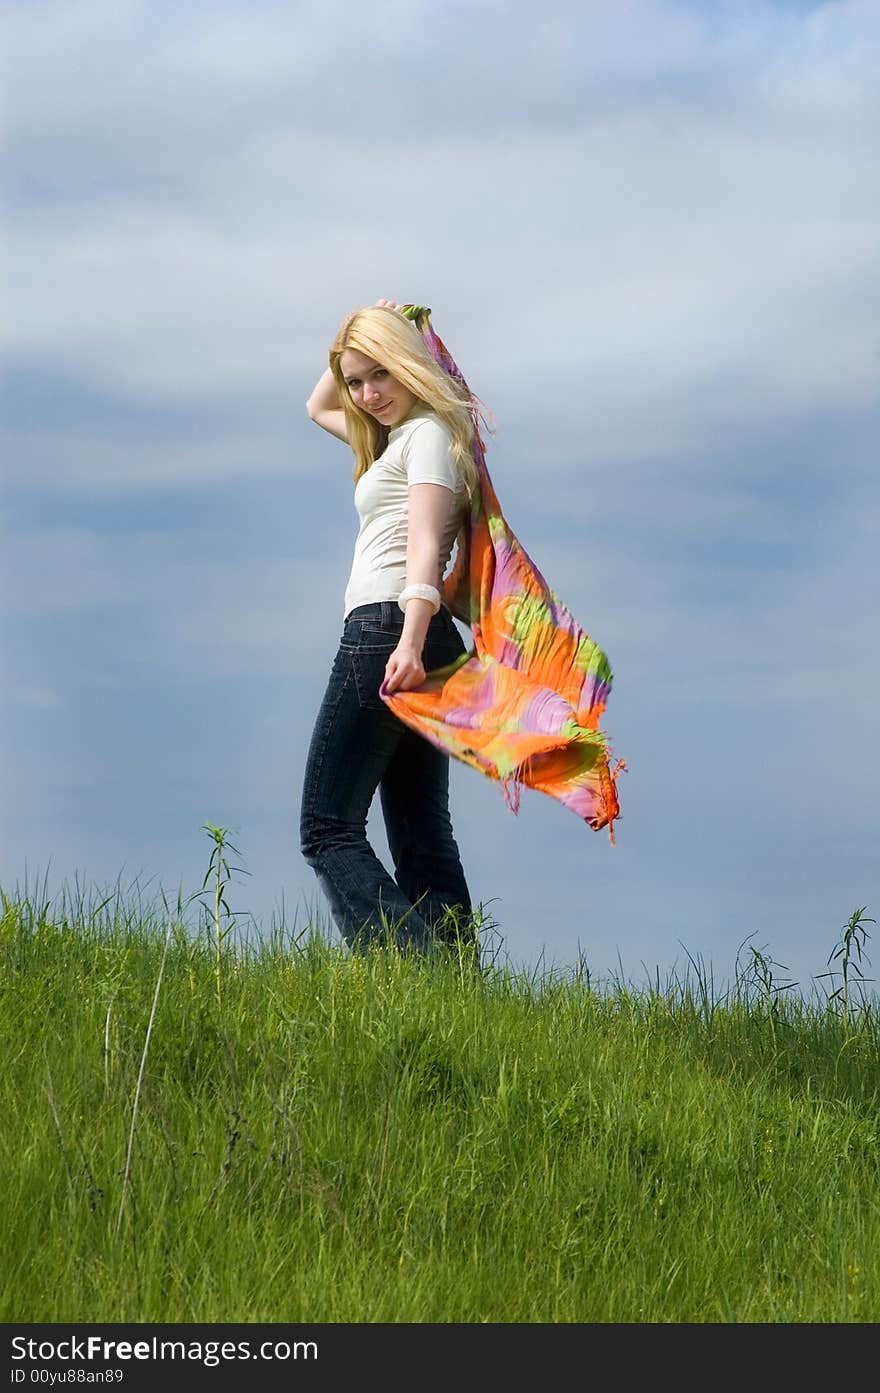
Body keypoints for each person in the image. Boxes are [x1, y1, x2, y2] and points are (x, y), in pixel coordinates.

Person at [300, 298, 481, 958]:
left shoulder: (429, 434)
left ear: (409, 366)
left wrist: (405, 645)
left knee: (327, 827)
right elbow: (318, 408)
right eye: (356, 379)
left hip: (390, 630)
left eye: (381, 374)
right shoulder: (397, 439)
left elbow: (428, 548)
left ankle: (418, 977)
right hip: (421, 639)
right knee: (420, 830)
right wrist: (354, 326)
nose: (366, 394)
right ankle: (460, 998)